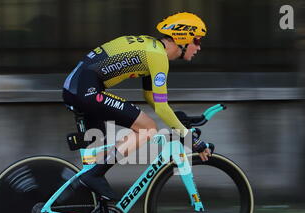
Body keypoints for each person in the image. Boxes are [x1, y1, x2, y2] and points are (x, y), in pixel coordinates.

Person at [62, 12, 211, 201]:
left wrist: (176, 121)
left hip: (78, 89)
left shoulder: (152, 48)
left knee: (98, 156)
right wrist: (192, 140)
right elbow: (160, 106)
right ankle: (94, 175)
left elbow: (152, 97)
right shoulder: (157, 56)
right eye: (197, 41)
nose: (199, 47)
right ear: (183, 39)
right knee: (148, 128)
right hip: (86, 92)